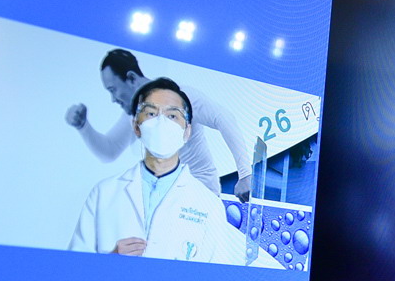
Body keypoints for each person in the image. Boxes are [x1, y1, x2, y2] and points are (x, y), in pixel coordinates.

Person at [69, 78, 256, 265]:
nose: (161, 123)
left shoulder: (209, 205)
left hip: (201, 186)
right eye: (151, 114)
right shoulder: (104, 193)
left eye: (172, 116)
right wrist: (111, 259)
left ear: (187, 131)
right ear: (136, 127)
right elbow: (72, 267)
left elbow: (215, 274)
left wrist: (245, 173)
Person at [65, 49, 254, 199]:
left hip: (198, 196)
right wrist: (83, 127)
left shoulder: (181, 97)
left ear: (131, 78)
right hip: (168, 200)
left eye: (113, 89)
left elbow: (224, 118)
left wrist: (245, 174)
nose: (113, 99)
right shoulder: (135, 112)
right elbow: (110, 151)